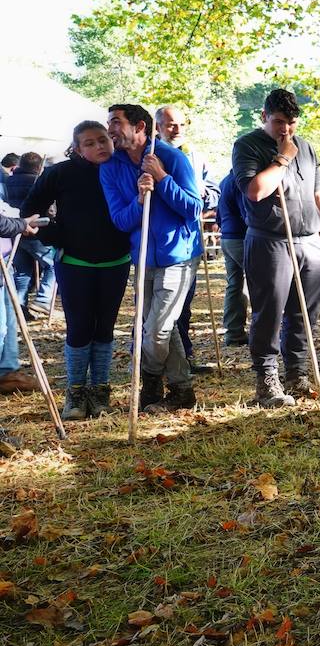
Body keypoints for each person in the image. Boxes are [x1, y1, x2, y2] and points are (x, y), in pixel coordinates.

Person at [20, 122, 130, 417]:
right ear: (78, 149)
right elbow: (31, 210)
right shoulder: (62, 173)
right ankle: (76, 392)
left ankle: (100, 390)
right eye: (90, 143)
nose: (99, 147)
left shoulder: (124, 166)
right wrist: (57, 235)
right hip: (74, 262)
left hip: (116, 260)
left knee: (105, 328)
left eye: (103, 140)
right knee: (80, 327)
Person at [100, 103, 204, 413]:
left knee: (157, 329)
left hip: (178, 254)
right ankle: (182, 390)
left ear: (140, 127)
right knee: (158, 327)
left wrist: (162, 178)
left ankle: (150, 383)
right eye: (109, 123)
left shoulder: (172, 158)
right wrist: (140, 198)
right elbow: (120, 219)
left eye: (116, 123)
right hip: (143, 254)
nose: (110, 130)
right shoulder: (111, 167)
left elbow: (194, 208)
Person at [231, 88, 320, 407]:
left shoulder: (308, 148)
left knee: (304, 313)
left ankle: (297, 373)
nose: (285, 129)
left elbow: (319, 193)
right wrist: (282, 158)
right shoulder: (247, 145)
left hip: (309, 241)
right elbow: (255, 191)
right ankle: (267, 379)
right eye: (278, 122)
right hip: (270, 240)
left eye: (291, 122)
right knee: (269, 312)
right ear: (263, 117)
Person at [154, 106, 219, 375]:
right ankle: (159, 364)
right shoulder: (149, 155)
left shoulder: (195, 155)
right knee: (161, 310)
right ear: (157, 127)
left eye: (181, 124)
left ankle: (186, 356)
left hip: (190, 239)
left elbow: (214, 190)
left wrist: (203, 199)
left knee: (185, 304)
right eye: (170, 125)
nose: (177, 130)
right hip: (162, 243)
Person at [4, 152, 56, 318]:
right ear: (38, 166)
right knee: (53, 265)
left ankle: (19, 306)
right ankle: (43, 299)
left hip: (14, 232)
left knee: (23, 272)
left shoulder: (7, 181)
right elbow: (49, 209)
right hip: (35, 232)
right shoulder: (38, 182)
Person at [0, 195, 41, 396]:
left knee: (7, 321)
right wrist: (21, 223)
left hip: (3, 266)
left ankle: (8, 372)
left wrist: (19, 221)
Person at [217, 171, 251, 345]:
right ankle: (264, 332)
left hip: (228, 237)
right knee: (260, 284)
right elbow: (247, 214)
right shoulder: (240, 181)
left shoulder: (224, 181)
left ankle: (234, 332)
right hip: (240, 238)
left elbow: (218, 214)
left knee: (235, 284)